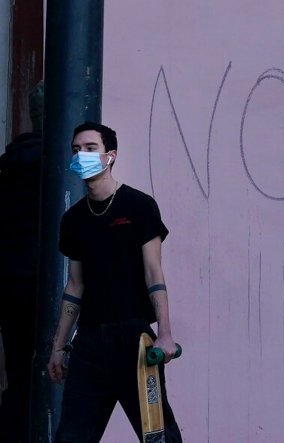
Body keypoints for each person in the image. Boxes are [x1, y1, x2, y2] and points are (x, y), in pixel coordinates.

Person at [47, 121, 183, 442]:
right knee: (71, 437)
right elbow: (74, 286)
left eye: (90, 148)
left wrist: (164, 333)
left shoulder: (138, 206)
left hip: (134, 343)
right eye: (76, 150)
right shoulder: (74, 220)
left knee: (158, 437)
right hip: (89, 346)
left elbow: (154, 272)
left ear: (110, 156)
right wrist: (57, 347)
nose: (82, 155)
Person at [0, 81, 43, 443]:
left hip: (11, 282)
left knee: (19, 374)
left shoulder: (9, 164)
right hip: (47, 284)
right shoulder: (64, 166)